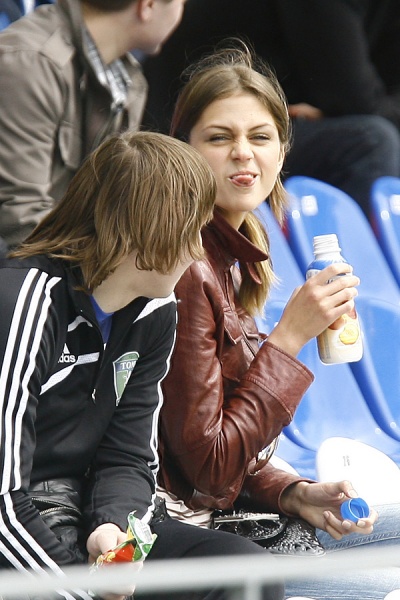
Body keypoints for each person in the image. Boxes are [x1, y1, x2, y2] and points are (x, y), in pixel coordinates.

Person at [157, 44, 400, 598]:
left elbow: (225, 447)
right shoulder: (184, 266)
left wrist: (293, 492)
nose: (243, 153)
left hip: (238, 515)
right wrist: (289, 338)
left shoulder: (237, 250)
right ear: (184, 149)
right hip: (197, 540)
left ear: (283, 150)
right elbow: (206, 470)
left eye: (261, 137)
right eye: (220, 137)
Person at [0, 129, 285, 600]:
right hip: (20, 532)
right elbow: (3, 504)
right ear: (143, 228)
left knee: (246, 571)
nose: (197, 251)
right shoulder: (26, 302)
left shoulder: (157, 309)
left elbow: (129, 456)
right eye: (191, 230)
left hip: (83, 515)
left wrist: (113, 530)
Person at [141, 0, 400, 217]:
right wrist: (342, 107)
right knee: (372, 142)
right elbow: (353, 97)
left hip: (268, 125)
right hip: (172, 132)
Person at [0, 0, 186, 249]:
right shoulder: (31, 63)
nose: (181, 14)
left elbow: (111, 210)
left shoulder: (129, 81)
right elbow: (19, 216)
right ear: (148, 6)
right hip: (27, 264)